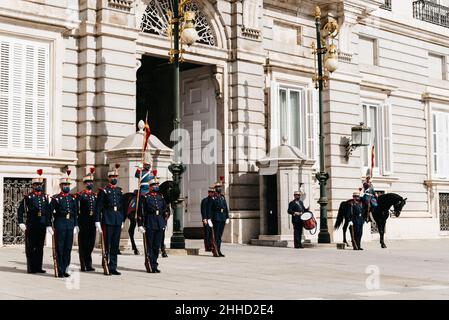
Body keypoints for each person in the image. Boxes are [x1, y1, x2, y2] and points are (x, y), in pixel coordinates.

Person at [17, 169, 51, 274]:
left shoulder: (45, 197)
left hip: (41, 225)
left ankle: (38, 267)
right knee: (31, 247)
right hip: (31, 225)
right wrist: (21, 222)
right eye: (36, 184)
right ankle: (31, 268)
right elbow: (20, 210)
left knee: (40, 247)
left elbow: (48, 211)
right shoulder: (28, 197)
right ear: (33, 185)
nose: (38, 186)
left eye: (40, 184)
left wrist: (49, 224)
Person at [96, 165, 125, 276]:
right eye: (112, 176)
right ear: (108, 178)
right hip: (107, 219)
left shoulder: (119, 190)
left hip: (117, 219)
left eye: (115, 176)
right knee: (107, 244)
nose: (114, 178)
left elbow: (122, 207)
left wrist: (122, 219)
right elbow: (98, 207)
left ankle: (113, 266)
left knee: (115, 245)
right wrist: (97, 221)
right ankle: (105, 264)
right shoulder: (104, 191)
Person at [50, 172, 78, 278]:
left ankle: (65, 268)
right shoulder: (56, 198)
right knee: (60, 248)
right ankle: (59, 269)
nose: (66, 187)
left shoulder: (72, 198)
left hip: (70, 225)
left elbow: (75, 212)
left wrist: (76, 225)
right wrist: (49, 225)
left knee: (68, 248)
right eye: (64, 185)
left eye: (68, 185)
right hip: (60, 224)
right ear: (61, 186)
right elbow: (49, 212)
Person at [137, 178, 167, 273]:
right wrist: (140, 224)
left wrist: (164, 222)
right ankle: (149, 263)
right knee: (149, 245)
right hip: (150, 222)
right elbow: (141, 212)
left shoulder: (161, 197)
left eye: (157, 185)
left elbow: (165, 210)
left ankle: (155, 264)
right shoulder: (145, 197)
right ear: (149, 187)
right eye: (154, 185)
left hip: (159, 222)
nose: (156, 186)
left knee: (156, 245)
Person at [76, 168, 102, 272]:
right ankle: (83, 265)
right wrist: (77, 223)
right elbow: (76, 209)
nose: (90, 184)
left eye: (91, 182)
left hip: (92, 222)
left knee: (91, 244)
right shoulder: (80, 195)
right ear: (84, 183)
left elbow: (98, 209)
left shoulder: (94, 195)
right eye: (88, 182)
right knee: (83, 244)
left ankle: (89, 264)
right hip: (83, 221)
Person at [211, 182, 229, 257]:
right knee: (216, 235)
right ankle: (216, 251)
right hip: (216, 218)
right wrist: (209, 219)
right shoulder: (213, 198)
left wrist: (227, 217)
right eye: (218, 187)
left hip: (222, 218)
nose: (219, 189)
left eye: (220, 187)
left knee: (219, 236)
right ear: (215, 189)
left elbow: (225, 207)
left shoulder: (222, 197)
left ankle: (219, 250)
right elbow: (210, 209)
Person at [201, 187, 218, 256]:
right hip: (207, 219)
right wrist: (204, 219)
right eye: (211, 192)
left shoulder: (214, 200)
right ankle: (207, 246)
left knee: (212, 234)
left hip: (213, 219)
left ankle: (212, 246)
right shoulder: (205, 200)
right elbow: (203, 210)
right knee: (207, 233)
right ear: (209, 193)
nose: (212, 193)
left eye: (213, 192)